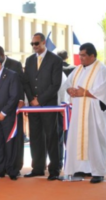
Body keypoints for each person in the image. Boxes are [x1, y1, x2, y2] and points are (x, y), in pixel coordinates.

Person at [64, 43, 106, 183]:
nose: (80, 58)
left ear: (92, 55)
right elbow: (68, 84)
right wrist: (71, 91)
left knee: (94, 141)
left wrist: (86, 93)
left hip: (94, 114)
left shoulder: (102, 70)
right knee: (78, 139)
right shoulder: (78, 70)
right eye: (79, 55)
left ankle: (98, 171)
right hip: (78, 112)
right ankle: (81, 168)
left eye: (83, 55)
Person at [23, 32, 62, 180]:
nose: (34, 46)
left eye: (36, 43)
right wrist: (32, 99)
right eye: (32, 44)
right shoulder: (29, 60)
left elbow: (55, 84)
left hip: (48, 105)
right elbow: (26, 81)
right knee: (35, 137)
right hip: (33, 106)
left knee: (52, 137)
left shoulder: (55, 60)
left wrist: (40, 100)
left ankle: (54, 169)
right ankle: (38, 168)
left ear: (44, 43)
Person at [0, 46, 25, 174]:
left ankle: (14, 167)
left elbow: (21, 83)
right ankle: (0, 168)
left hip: (12, 108)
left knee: (13, 139)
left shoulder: (15, 65)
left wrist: (21, 99)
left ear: (2, 56)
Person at [0, 54, 20, 180]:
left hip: (8, 116)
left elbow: (14, 96)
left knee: (10, 143)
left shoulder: (12, 75)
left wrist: (4, 113)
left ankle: (11, 170)